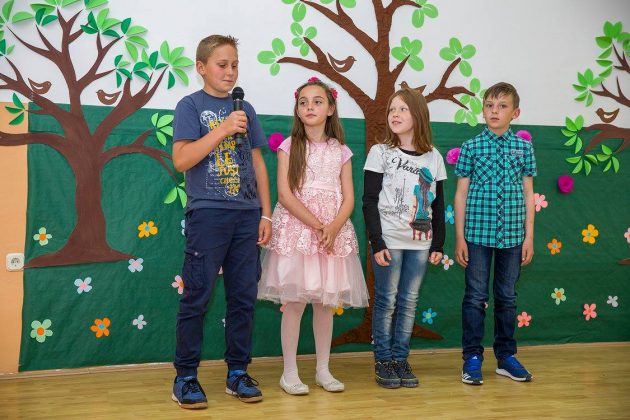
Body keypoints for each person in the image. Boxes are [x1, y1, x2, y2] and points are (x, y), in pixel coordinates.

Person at [170, 34, 272, 409]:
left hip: (247, 215)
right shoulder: (189, 106)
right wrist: (223, 129)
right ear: (201, 67)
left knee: (243, 297)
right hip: (208, 215)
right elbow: (181, 160)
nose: (230, 72)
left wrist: (266, 211)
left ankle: (237, 372)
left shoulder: (247, 109)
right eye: (222, 65)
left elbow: (258, 162)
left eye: (235, 65)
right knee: (197, 295)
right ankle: (185, 377)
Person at [258, 77, 369, 396]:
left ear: (330, 109)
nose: (310, 107)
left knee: (324, 304)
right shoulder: (288, 147)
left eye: (317, 101)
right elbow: (285, 194)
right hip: (299, 233)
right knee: (294, 303)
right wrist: (318, 226)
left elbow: (349, 197)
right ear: (297, 109)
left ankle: (323, 369)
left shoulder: (341, 151)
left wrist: (333, 227)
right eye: (303, 102)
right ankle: (289, 372)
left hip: (332, 235)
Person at [454, 82, 536, 385]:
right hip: (477, 235)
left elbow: (528, 194)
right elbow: (461, 194)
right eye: (489, 105)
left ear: (515, 113)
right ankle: (472, 358)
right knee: (475, 297)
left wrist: (529, 237)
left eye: (502, 106)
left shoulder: (524, 148)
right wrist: (460, 237)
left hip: (513, 237)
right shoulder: (471, 147)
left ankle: (506, 357)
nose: (494, 111)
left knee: (507, 298)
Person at [363, 87, 446, 388]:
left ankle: (400, 359)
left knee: (409, 301)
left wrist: (438, 244)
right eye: (391, 109)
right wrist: (377, 241)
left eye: (402, 109)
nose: (394, 114)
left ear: (418, 115)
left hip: (420, 243)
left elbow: (438, 204)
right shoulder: (380, 152)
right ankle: (383, 360)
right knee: (386, 301)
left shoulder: (434, 157)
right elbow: (369, 200)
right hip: (389, 240)